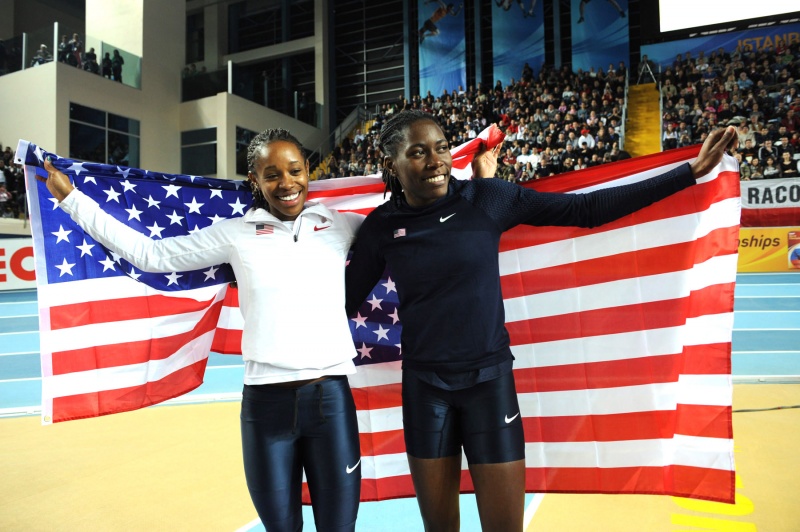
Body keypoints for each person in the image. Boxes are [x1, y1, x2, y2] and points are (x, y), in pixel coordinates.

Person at [344, 109, 736, 531]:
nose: (435, 161)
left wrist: (689, 173)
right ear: (392, 164)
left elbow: (586, 209)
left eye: (441, 148)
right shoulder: (381, 228)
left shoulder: (486, 199)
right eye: (418, 152)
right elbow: (342, 302)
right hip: (426, 391)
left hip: (489, 387)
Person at [39, 128, 364, 531]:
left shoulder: (341, 226)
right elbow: (152, 255)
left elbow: (407, 226)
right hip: (266, 407)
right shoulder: (236, 234)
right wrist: (72, 199)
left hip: (330, 402)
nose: (286, 183)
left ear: (308, 171)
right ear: (255, 181)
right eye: (272, 174)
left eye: (295, 171)